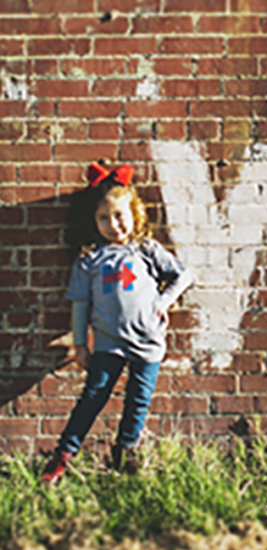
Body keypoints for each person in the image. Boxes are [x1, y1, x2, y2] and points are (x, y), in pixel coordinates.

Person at [40, 162, 194, 484]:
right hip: (109, 342)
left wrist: (163, 303)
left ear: (134, 213)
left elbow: (184, 275)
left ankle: (125, 452)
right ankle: (63, 455)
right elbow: (80, 305)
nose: (113, 224)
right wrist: (81, 345)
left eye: (120, 215)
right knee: (93, 396)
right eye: (103, 218)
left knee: (138, 401)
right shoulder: (89, 260)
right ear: (93, 221)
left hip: (148, 341)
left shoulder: (146, 250)